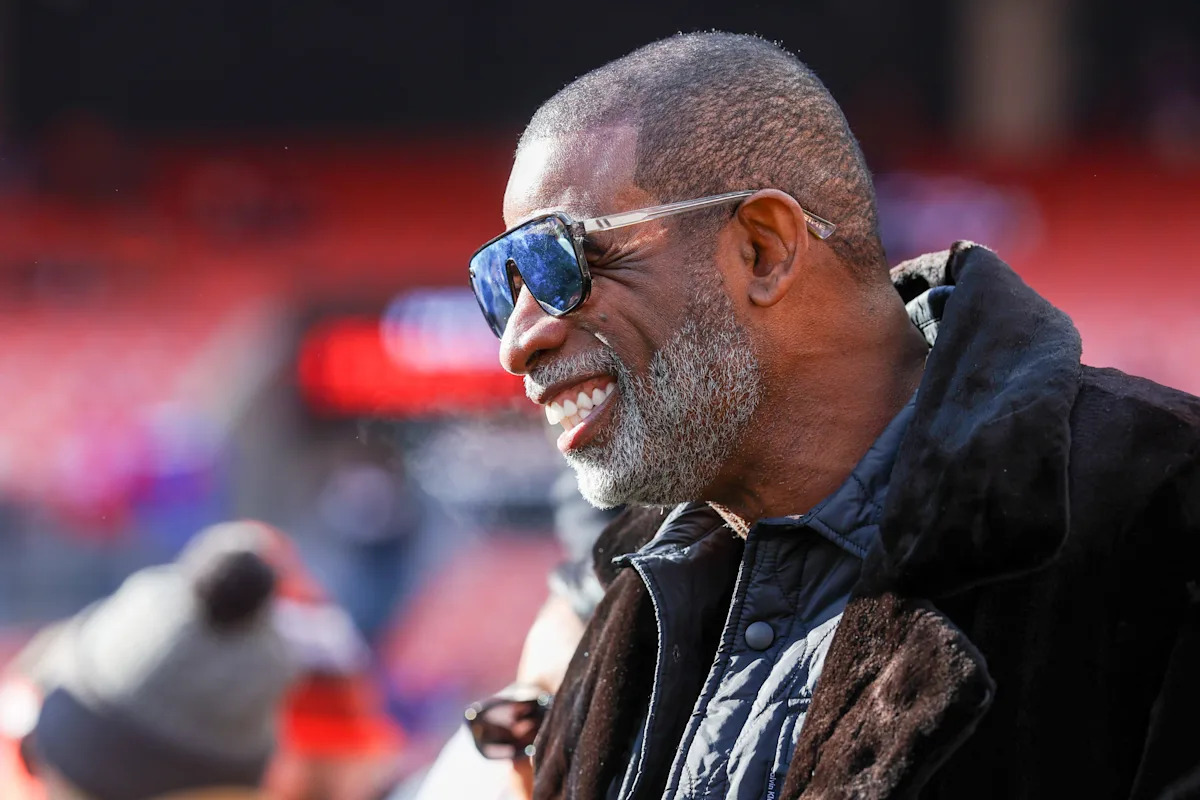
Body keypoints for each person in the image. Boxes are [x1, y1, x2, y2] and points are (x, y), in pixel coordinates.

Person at [466, 31, 1200, 800]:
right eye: (498, 288)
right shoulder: (624, 612)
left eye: (557, 263)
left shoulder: (1159, 514)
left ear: (763, 249)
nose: (517, 343)